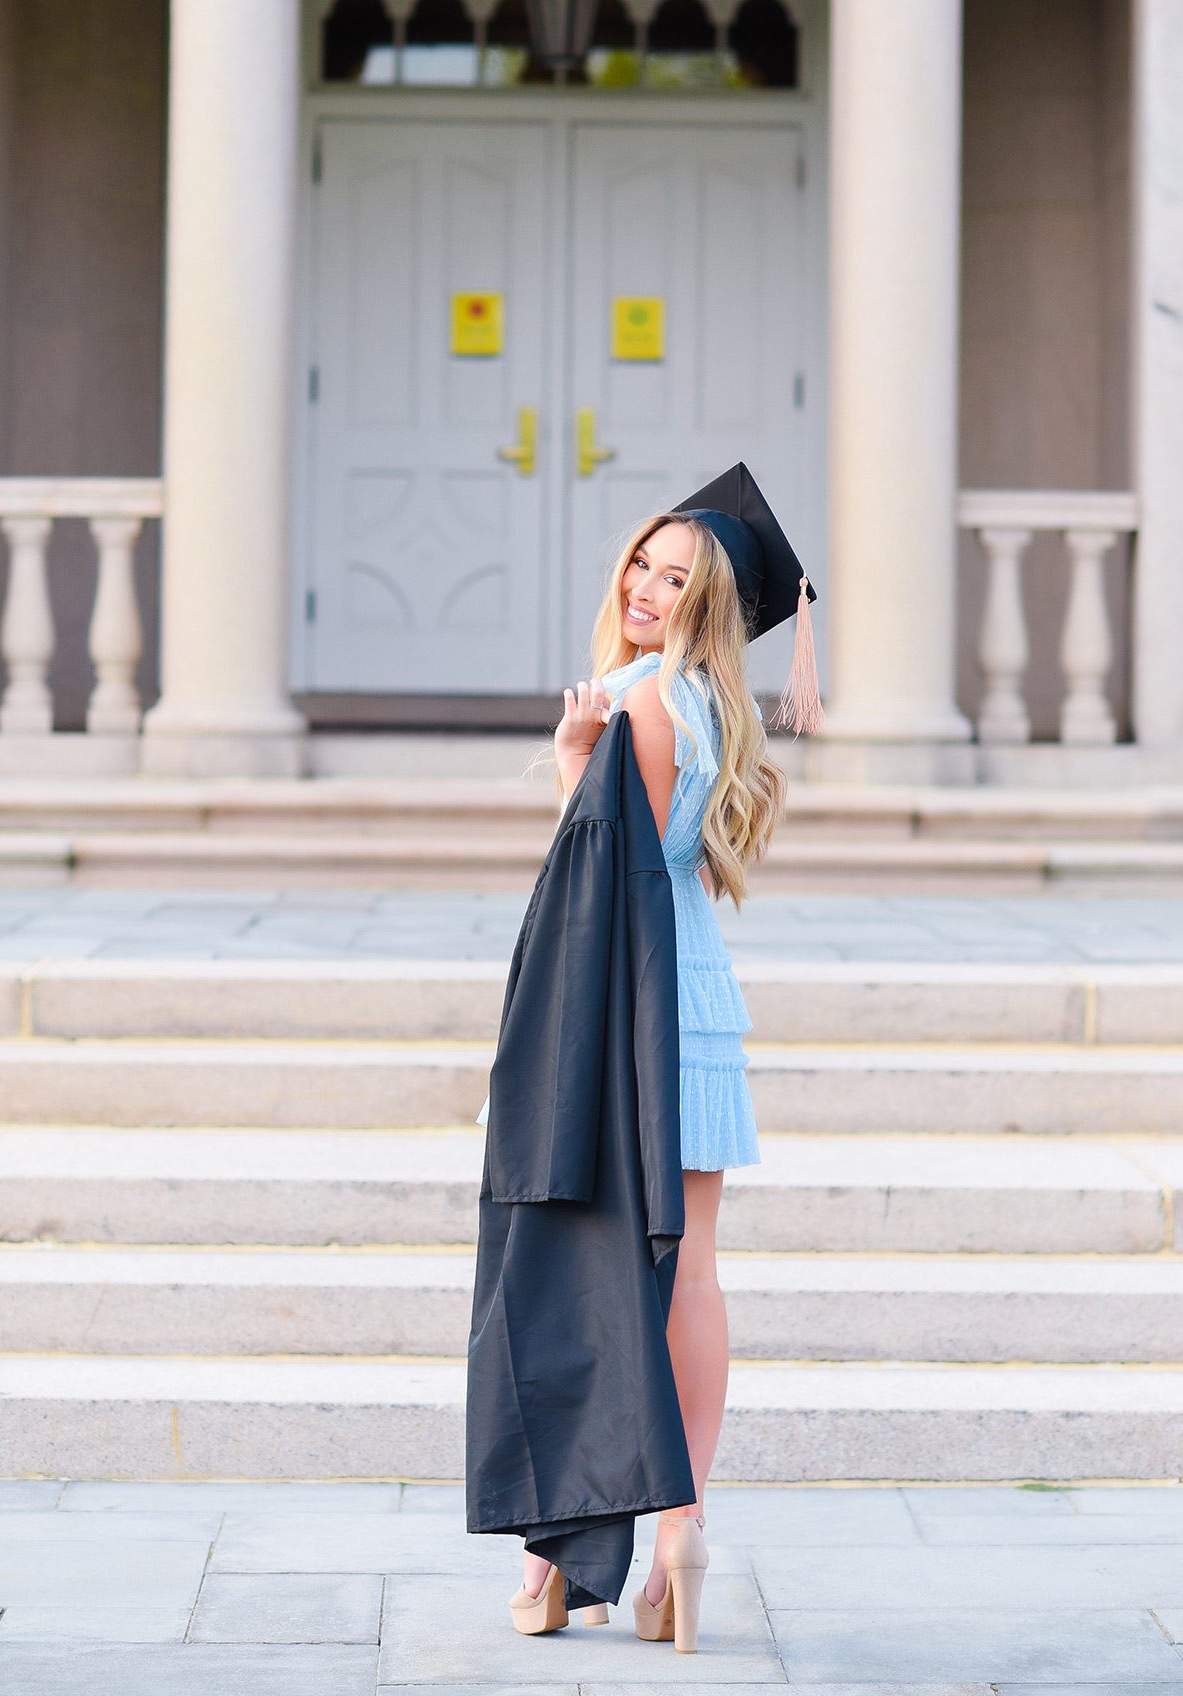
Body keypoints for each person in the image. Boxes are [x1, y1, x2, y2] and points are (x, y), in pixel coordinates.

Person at [484, 462, 820, 1651]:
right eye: (643, 558)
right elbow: (662, 863)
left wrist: (575, 754)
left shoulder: (631, 697)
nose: (645, 582)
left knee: (588, 1264)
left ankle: (559, 1553)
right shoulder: (712, 700)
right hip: (699, 994)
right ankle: (680, 1532)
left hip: (623, 1005)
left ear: (706, 602)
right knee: (697, 1265)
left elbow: (598, 873)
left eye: (676, 576)